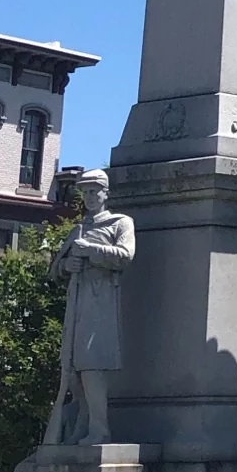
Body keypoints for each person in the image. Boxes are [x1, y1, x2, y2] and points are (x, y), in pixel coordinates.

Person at [45, 170, 135, 447]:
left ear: (106, 194)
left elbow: (126, 255)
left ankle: (100, 429)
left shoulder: (120, 223)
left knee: (92, 366)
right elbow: (54, 270)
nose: (90, 197)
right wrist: (65, 266)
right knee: (73, 371)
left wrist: (91, 252)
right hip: (77, 301)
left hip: (102, 301)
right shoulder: (79, 228)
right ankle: (82, 425)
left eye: (95, 191)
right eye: (86, 192)